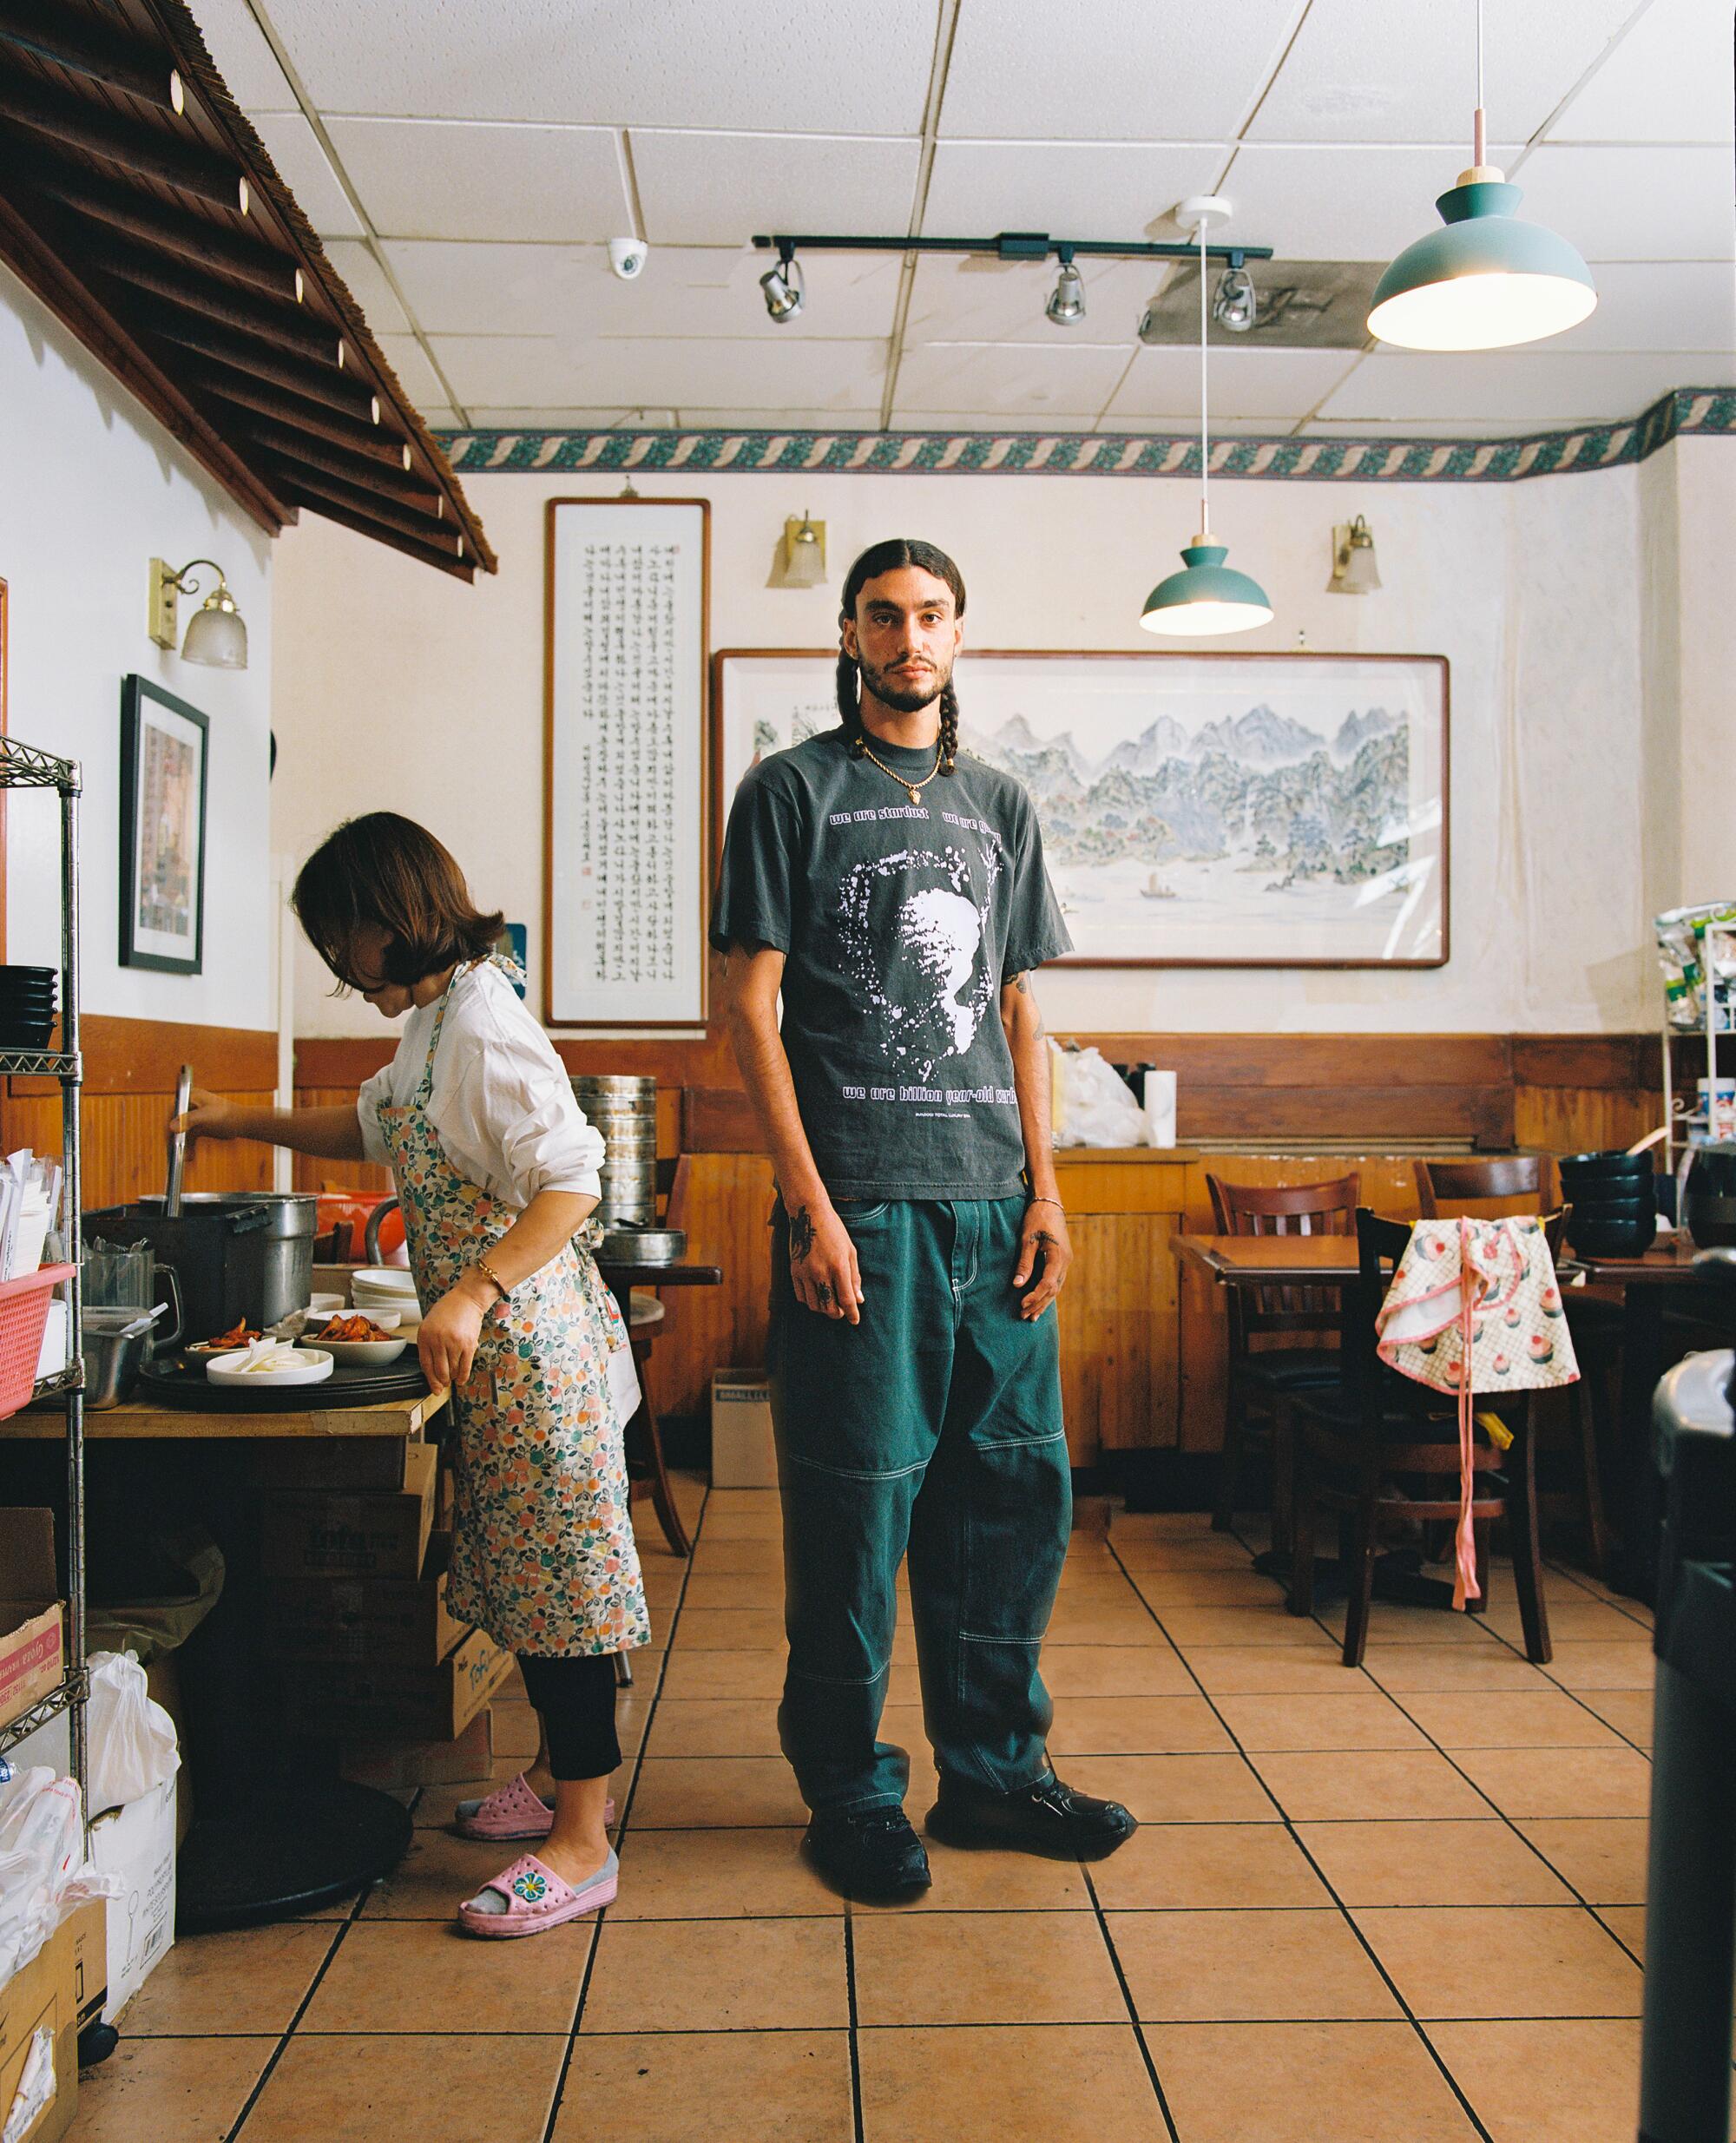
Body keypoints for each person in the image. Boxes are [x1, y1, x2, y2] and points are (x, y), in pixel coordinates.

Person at [712, 537, 1136, 1901]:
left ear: (959, 634)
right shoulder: (791, 791)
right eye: (886, 615)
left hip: (995, 1211)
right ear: (848, 630)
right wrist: (807, 1202)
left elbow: (1018, 1006)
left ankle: (996, 1778)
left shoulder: (1001, 804)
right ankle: (848, 1787)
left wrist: (1050, 1189)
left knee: (1012, 1503)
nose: (910, 637)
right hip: (866, 1216)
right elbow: (749, 1008)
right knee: (855, 1518)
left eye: (933, 615)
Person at [176, 812, 648, 1936]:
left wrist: (475, 1286)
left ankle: (583, 1844)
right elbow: (368, 1122)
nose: (344, 969)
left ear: (394, 917)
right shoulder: (435, 1022)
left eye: (347, 942)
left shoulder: (483, 1021)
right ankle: (554, 1772)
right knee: (533, 1590)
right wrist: (227, 1116)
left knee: (565, 1596)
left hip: (532, 1345)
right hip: (494, 1349)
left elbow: (575, 1181)